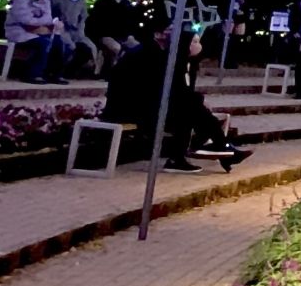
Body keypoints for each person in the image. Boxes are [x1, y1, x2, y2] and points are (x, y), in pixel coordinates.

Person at [105, 24, 253, 174]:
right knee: (189, 108)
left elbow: (179, 91)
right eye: (194, 42)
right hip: (131, 107)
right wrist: (197, 100)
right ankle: (215, 146)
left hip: (148, 103)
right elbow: (160, 89)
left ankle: (214, 148)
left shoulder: (177, 59)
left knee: (189, 108)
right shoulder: (150, 54)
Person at [5, 0, 72, 83]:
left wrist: (50, 25)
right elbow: (26, 20)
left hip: (39, 31)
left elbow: (48, 18)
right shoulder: (22, 0)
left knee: (59, 42)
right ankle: (32, 74)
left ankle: (54, 74)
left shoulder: (46, 2)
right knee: (43, 43)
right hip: (19, 32)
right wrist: (43, 24)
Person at [50, 0, 99, 75]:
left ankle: (71, 71)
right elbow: (55, 15)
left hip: (76, 32)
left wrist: (79, 32)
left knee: (90, 47)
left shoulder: (81, 1)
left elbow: (83, 18)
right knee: (70, 46)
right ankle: (56, 71)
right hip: (60, 29)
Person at [89, 0, 138, 74]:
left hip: (123, 36)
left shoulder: (126, 3)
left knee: (137, 47)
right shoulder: (103, 2)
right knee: (117, 48)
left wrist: (130, 35)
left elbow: (130, 22)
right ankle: (111, 72)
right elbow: (97, 22)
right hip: (105, 35)